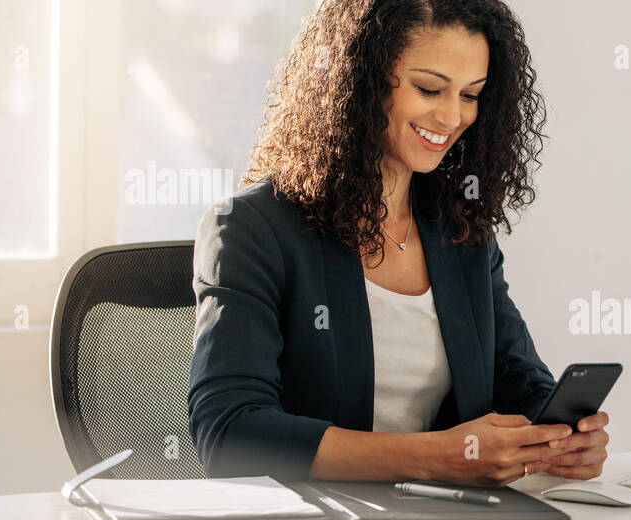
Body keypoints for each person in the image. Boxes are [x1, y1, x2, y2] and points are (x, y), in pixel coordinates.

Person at [188, 0, 609, 485]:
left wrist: (558, 437)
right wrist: (437, 457)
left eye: (471, 95)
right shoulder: (251, 228)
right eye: (429, 88)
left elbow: (516, 375)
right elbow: (230, 432)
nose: (452, 116)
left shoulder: (460, 229)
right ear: (358, 79)